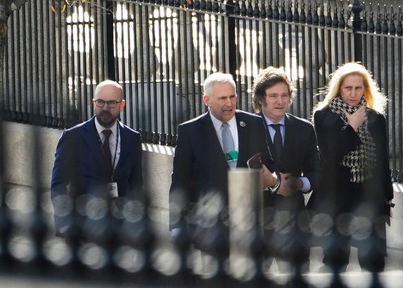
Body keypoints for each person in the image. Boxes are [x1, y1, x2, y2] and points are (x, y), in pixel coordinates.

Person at [170, 72, 279, 238]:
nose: (229, 103)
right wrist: (177, 226)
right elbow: (180, 180)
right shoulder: (190, 131)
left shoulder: (253, 124)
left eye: (232, 97)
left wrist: (271, 178)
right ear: (207, 100)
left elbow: (269, 164)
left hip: (249, 224)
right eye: (222, 98)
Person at [312, 62, 392, 271]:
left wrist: (387, 198)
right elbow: (331, 155)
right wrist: (352, 127)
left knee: (374, 260)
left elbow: (383, 161)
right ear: (339, 88)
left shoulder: (376, 118)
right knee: (336, 260)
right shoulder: (324, 116)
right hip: (338, 196)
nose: (353, 93)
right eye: (348, 88)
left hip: (369, 196)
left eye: (358, 88)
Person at [50, 80, 144, 236]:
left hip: (121, 230)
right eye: (100, 102)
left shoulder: (132, 138)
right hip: (82, 228)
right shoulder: (73, 137)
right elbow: (58, 184)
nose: (105, 108)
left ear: (122, 105)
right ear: (93, 103)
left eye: (111, 103)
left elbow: (136, 184)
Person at [251, 67, 320, 239]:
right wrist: (273, 183)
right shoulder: (247, 128)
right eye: (273, 96)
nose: (280, 101)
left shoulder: (305, 129)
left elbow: (316, 173)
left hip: (295, 221)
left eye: (284, 95)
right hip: (257, 221)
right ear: (261, 99)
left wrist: (298, 183)